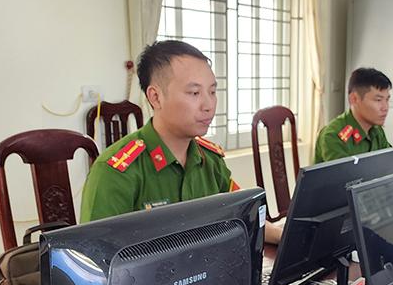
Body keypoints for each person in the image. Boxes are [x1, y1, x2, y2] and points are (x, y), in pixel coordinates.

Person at [80, 40, 281, 242]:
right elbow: (97, 261)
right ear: (156, 97)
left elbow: (244, 216)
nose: (209, 105)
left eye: (212, 92)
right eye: (194, 93)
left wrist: (289, 237)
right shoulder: (115, 173)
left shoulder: (210, 160)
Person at [314, 68, 392, 164]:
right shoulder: (332, 135)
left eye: (387, 100)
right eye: (378, 100)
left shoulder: (376, 130)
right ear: (354, 99)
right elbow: (344, 176)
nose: (385, 107)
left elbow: (389, 164)